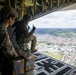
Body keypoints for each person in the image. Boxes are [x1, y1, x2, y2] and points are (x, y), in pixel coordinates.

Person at [0, 6, 18, 75]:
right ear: (10, 18)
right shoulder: (2, 29)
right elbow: (9, 50)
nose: (14, 21)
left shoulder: (2, 25)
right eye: (14, 19)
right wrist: (17, 56)